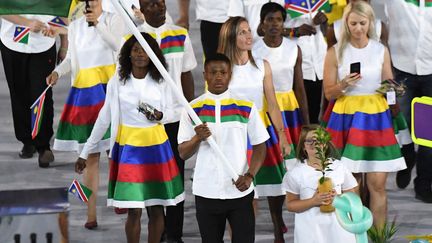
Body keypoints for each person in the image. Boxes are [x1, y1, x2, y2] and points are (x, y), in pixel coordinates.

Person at [75, 33, 185, 243]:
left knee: (156, 208)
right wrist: (84, 152)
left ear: (153, 54)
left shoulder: (162, 79)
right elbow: (104, 117)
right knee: (133, 210)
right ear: (128, 53)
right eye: (135, 49)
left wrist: (161, 116)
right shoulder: (117, 81)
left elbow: (177, 111)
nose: (140, 54)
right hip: (128, 149)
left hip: (156, 147)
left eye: (144, 50)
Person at [323, 1, 406, 228]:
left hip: (376, 120)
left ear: (370, 23)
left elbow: (388, 84)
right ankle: (354, 235)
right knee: (351, 185)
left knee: (377, 185)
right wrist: (343, 84)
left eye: (362, 23)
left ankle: (379, 237)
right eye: (353, 24)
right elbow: (329, 93)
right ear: (346, 24)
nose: (358, 28)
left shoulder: (380, 50)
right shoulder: (334, 52)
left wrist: (394, 93)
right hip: (346, 118)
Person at [45, 0, 124, 229]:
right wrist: (57, 73)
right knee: (90, 154)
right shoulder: (76, 26)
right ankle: (91, 215)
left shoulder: (113, 20)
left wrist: (98, 24)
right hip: (85, 96)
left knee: (114, 151)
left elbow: (118, 46)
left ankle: (119, 196)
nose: (91, 3)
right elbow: (71, 58)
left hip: (108, 91)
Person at [178, 53, 268, 243]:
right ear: (205, 75)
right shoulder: (193, 109)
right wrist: (197, 138)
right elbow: (183, 153)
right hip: (206, 191)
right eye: (213, 72)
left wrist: (250, 175)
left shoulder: (245, 107)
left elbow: (261, 145)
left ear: (230, 75)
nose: (218, 76)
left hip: (239, 189)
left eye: (223, 72)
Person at [218, 16, 292, 243]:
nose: (249, 35)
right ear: (230, 36)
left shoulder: (262, 65)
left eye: (249, 31)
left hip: (260, 130)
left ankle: (278, 227)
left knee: (274, 188)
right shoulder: (222, 67)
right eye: (242, 32)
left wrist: (282, 135)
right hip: (234, 133)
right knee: (243, 192)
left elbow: (272, 103)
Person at [137, 1, 197, 241]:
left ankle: (174, 233)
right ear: (142, 8)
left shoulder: (180, 35)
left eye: (161, 2)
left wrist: (190, 113)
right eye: (151, 4)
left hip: (174, 119)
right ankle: (157, 229)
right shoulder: (135, 38)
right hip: (146, 122)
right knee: (152, 178)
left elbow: (186, 75)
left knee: (175, 176)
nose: (159, 7)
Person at [0, 14, 67, 167]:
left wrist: (64, 44)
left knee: (42, 93)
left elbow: (63, 9)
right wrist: (26, 23)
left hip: (43, 42)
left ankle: (43, 146)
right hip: (13, 41)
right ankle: (27, 139)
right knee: (19, 94)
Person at [253, 2, 309, 170]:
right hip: (264, 108)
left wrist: (306, 122)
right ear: (262, 23)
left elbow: (299, 88)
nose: (274, 24)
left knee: (291, 160)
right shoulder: (254, 50)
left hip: (288, 108)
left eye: (278, 19)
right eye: (270, 19)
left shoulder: (293, 48)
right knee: (270, 158)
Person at [386, 0, 432, 202]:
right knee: (400, 124)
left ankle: (423, 184)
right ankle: (406, 156)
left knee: (428, 135)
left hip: (431, 73)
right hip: (401, 71)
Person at [283, 124, 357, 243]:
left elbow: (354, 199)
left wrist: (337, 198)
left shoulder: (339, 167)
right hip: (311, 231)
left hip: (340, 229)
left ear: (326, 144)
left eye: (319, 140)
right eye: (309, 141)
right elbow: (291, 205)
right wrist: (313, 201)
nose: (315, 143)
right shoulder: (295, 173)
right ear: (303, 147)